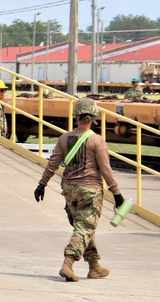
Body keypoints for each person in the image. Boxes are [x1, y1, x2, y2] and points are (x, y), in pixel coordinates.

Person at [34, 98, 124, 282]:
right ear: (94, 118)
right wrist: (117, 194)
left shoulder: (64, 138)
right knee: (85, 228)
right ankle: (68, 263)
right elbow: (106, 170)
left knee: (83, 228)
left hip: (69, 190)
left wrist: (42, 184)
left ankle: (94, 266)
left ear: (76, 117)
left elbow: (53, 164)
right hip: (90, 191)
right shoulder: (97, 141)